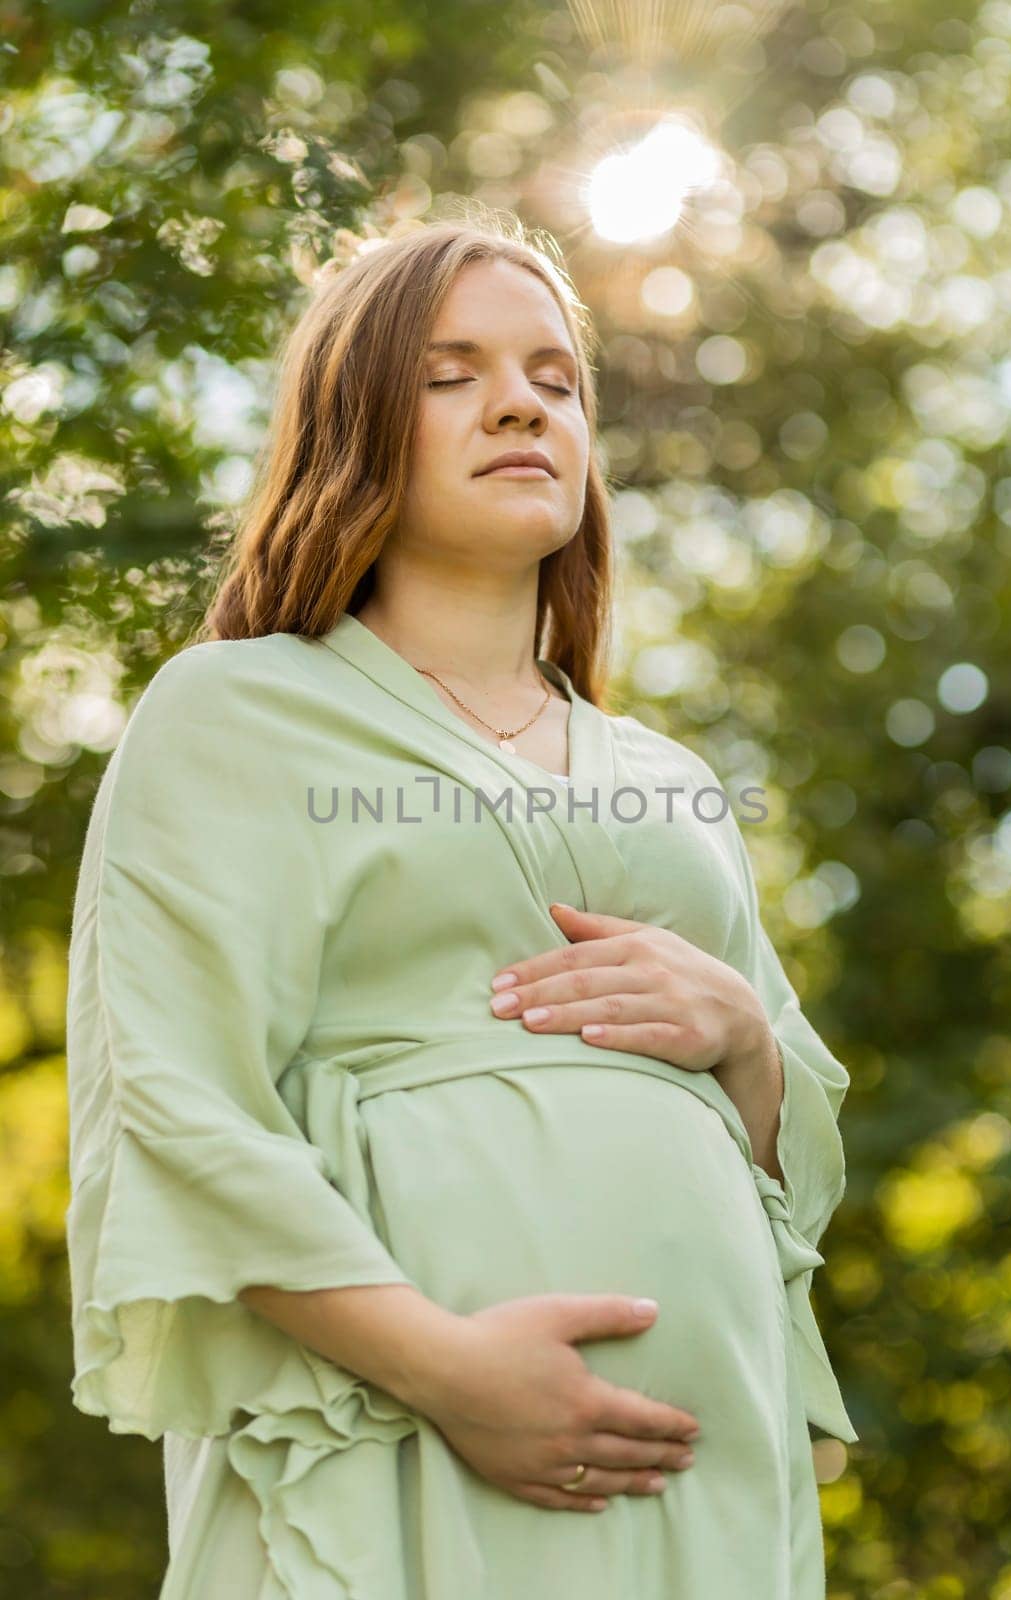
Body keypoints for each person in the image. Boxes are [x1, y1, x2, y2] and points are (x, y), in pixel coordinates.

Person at [64, 210, 859, 1600]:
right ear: (354, 425)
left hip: (702, 1469)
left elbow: (798, 1170)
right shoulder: (236, 709)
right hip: (389, 1430)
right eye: (452, 374)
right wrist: (452, 1371)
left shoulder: (671, 782)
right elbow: (173, 1105)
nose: (519, 403)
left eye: (558, 380)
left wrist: (741, 1038)